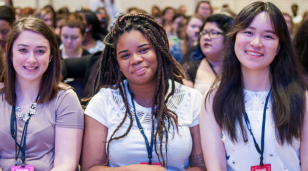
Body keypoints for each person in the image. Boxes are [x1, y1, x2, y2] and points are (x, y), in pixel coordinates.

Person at [82, 13, 206, 171]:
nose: (135, 59)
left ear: (158, 49)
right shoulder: (103, 102)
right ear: (117, 62)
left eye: (143, 50)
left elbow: (201, 166)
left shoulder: (192, 99)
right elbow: (90, 168)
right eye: (125, 55)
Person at [200, 2, 308, 171]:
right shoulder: (215, 97)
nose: (256, 43)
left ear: (279, 46)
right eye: (248, 33)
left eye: (268, 36)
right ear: (235, 37)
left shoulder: (301, 97)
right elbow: (216, 167)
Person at [0, 16, 84, 171]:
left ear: (51, 55)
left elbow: (65, 163)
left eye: (40, 51)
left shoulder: (65, 98)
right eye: (23, 50)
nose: (31, 59)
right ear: (10, 52)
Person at [182, 14, 233, 94]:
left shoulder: (238, 66)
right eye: (204, 33)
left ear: (228, 37)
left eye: (213, 33)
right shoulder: (189, 68)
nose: (206, 37)